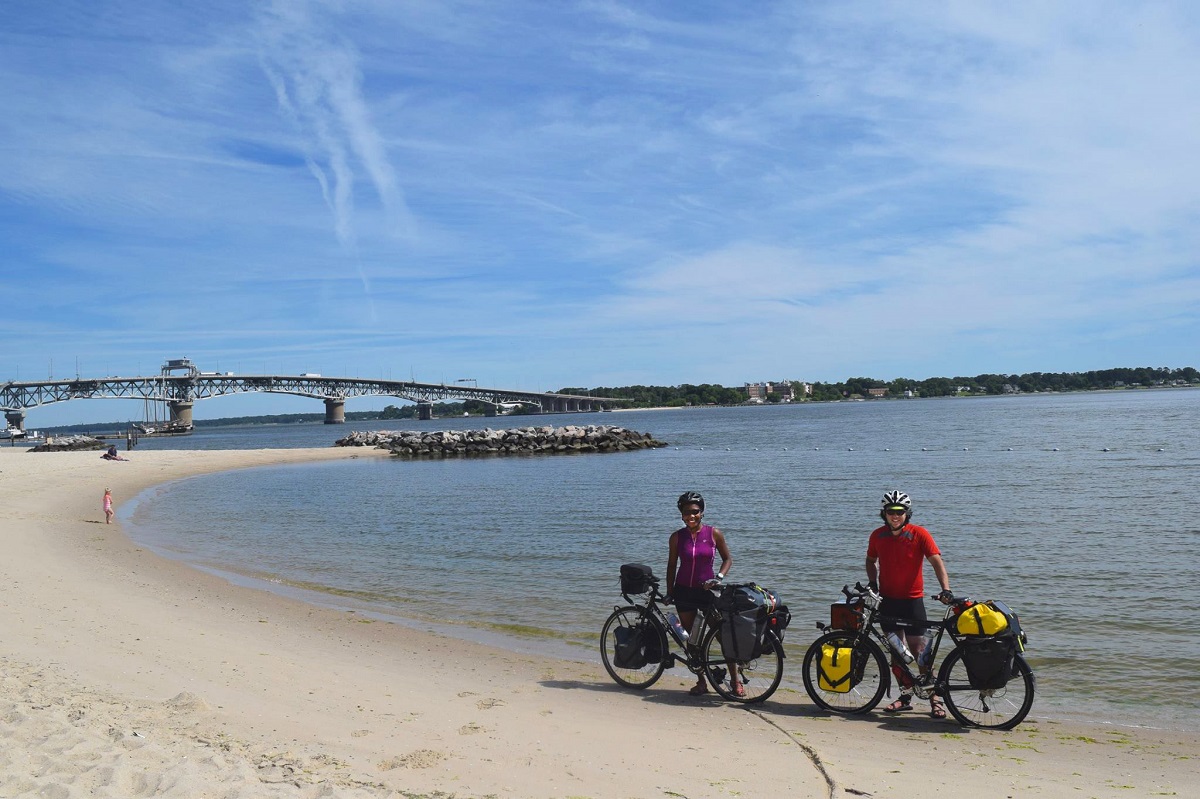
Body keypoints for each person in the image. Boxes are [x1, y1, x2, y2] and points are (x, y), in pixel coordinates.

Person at [865, 489, 952, 718]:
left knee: (920, 652)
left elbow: (936, 561)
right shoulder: (877, 536)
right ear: (884, 513)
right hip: (888, 602)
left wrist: (946, 589)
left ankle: (935, 699)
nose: (895, 515)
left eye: (900, 511)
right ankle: (905, 697)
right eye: (891, 511)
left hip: (913, 601)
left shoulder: (920, 534)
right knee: (896, 653)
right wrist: (873, 582)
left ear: (907, 513)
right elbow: (870, 560)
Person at [665, 491, 735, 696]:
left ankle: (736, 681)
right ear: (681, 514)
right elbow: (671, 566)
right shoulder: (677, 537)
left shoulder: (714, 533)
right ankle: (702, 681)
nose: (691, 516)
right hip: (684, 592)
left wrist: (719, 578)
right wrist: (670, 592)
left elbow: (728, 559)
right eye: (686, 512)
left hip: (708, 592)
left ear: (702, 512)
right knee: (693, 640)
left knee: (723, 636)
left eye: (695, 511)